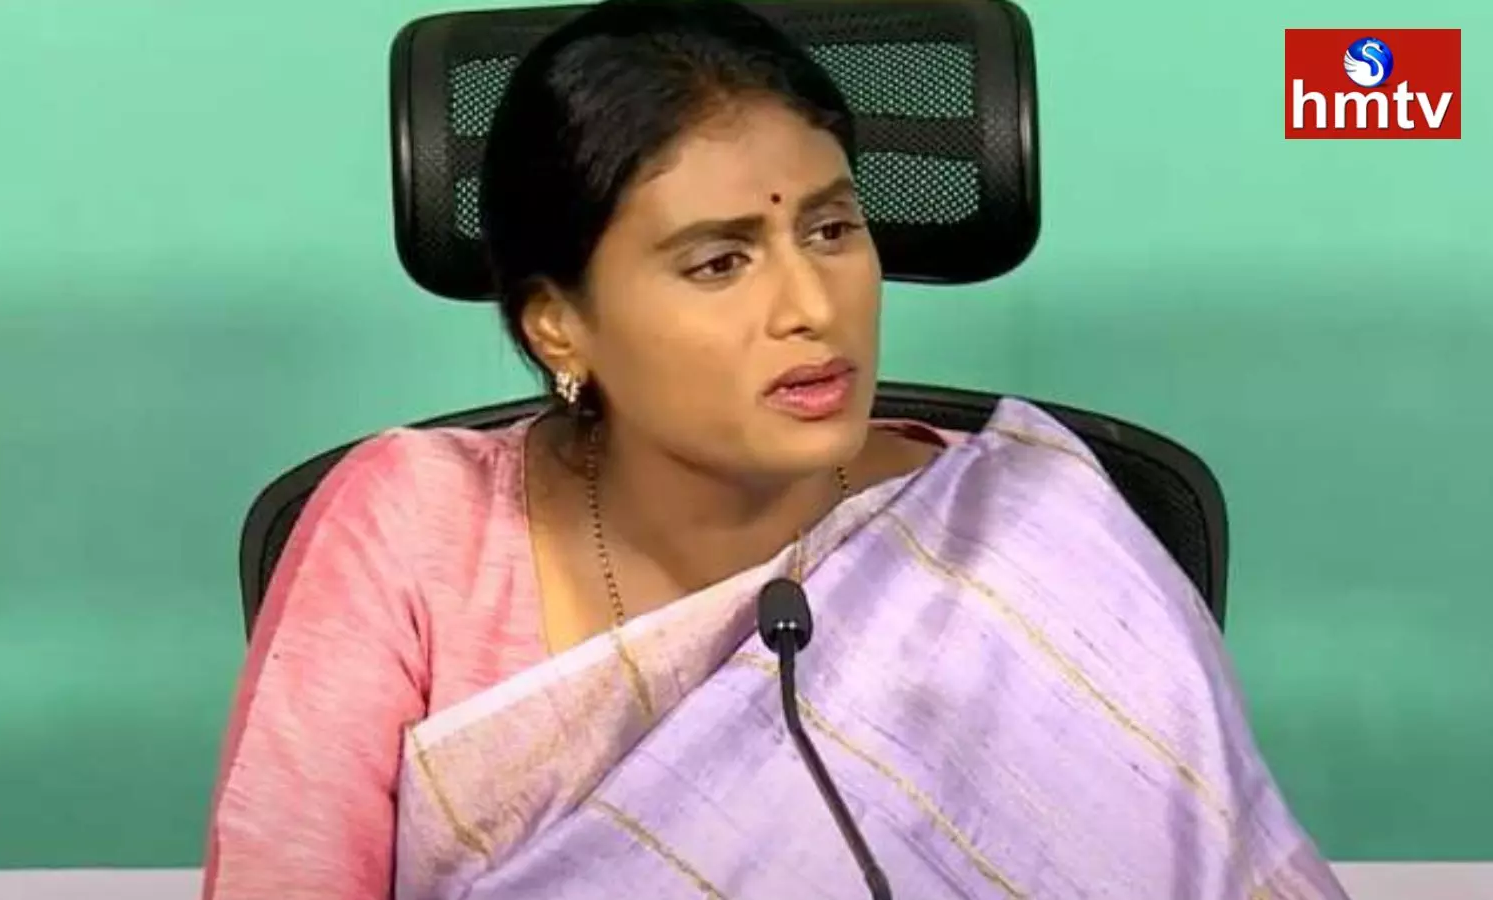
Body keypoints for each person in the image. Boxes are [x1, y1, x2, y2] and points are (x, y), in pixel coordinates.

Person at [202, 1, 1350, 897]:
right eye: (720, 261)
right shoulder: (411, 529)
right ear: (559, 326)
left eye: (832, 228)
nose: (812, 304)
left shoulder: (1031, 530)